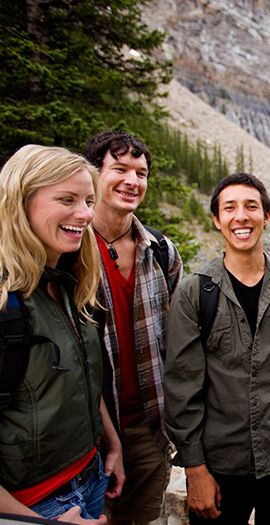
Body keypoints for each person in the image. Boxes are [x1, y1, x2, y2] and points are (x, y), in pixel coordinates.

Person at [164, 173, 270, 525]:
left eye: (251, 206)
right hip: (219, 466)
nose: (241, 217)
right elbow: (181, 386)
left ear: (266, 215)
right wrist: (195, 470)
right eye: (229, 208)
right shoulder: (194, 293)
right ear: (217, 220)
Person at [0, 145, 124, 523]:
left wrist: (111, 442)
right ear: (20, 203)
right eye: (66, 199)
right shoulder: (6, 305)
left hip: (90, 475)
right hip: (33, 505)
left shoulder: (69, 284)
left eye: (88, 200)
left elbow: (80, 373)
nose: (86, 214)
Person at [83, 131, 182, 525]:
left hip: (148, 429)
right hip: (86, 435)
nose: (132, 181)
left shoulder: (161, 251)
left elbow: (178, 344)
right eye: (119, 169)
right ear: (94, 175)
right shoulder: (70, 249)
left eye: (141, 172)